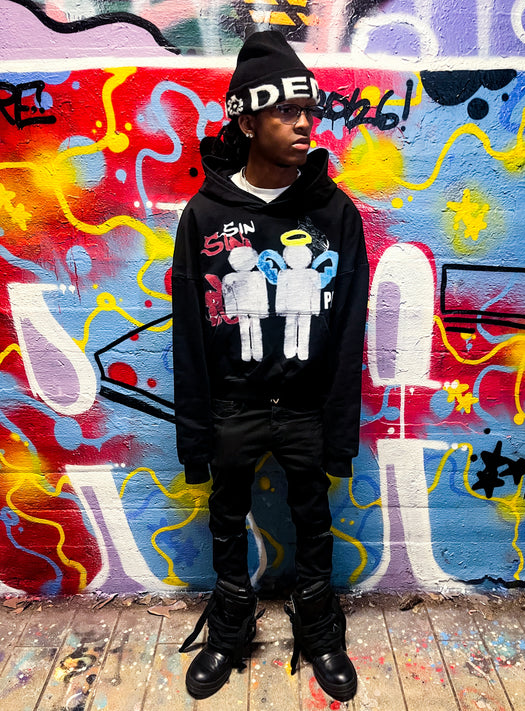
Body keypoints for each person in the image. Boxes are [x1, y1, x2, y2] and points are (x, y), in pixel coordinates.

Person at [172, 30, 368, 702]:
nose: (304, 124)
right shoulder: (205, 215)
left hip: (306, 406)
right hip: (234, 404)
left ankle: (319, 630)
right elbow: (190, 336)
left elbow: (348, 332)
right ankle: (230, 628)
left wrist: (339, 431)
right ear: (248, 121)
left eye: (307, 111)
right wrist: (195, 437)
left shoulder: (333, 213)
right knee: (225, 517)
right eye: (286, 112)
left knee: (314, 517)